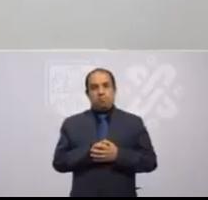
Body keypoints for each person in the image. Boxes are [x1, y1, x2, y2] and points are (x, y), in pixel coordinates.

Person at [53, 68, 158, 197]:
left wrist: (118, 155)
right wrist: (88, 152)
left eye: (106, 86)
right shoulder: (72, 124)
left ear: (114, 90)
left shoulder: (134, 123)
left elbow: (150, 162)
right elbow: (59, 162)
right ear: (87, 93)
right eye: (94, 87)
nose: (101, 92)